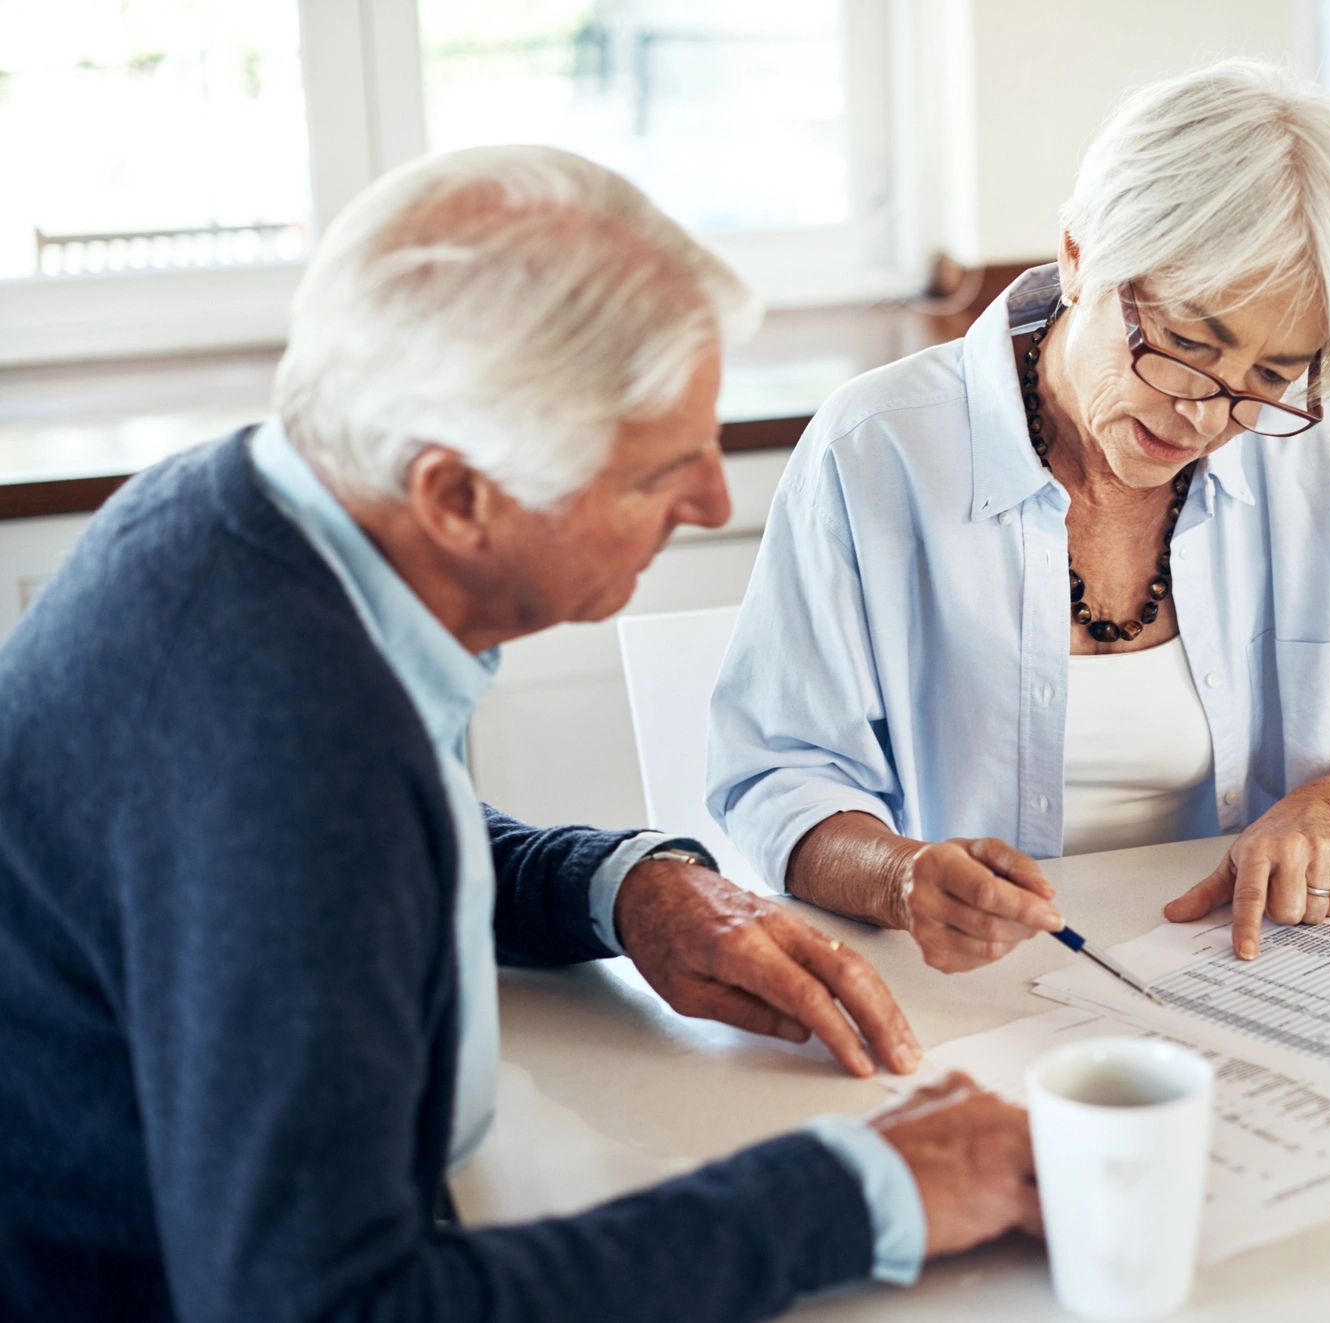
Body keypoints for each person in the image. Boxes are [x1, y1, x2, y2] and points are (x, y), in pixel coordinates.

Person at [0, 146, 1036, 1321]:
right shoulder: (288, 762)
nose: (710, 500)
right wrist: (863, 1188)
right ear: (458, 498)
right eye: (660, 470)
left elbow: (379, 849)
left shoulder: (236, 513)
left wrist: (619, 889)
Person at [707, 60, 1330, 973]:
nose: (1208, 417)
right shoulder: (877, 449)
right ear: (1080, 257)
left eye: (1269, 375)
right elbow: (776, 774)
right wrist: (899, 875)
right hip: (962, 987)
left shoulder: (1321, 447)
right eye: (1186, 343)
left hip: (1245, 969)